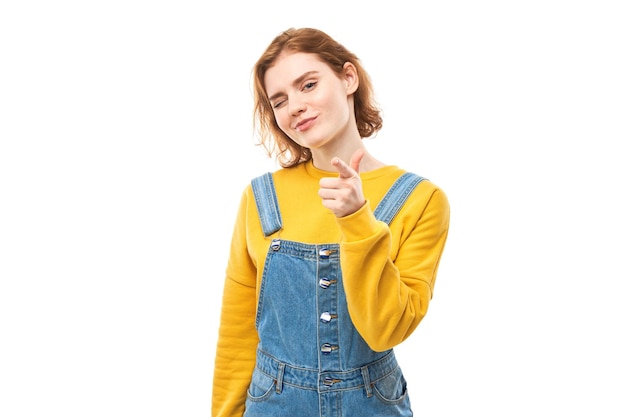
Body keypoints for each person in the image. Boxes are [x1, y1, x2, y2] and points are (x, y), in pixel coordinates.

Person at [212, 27, 450, 417]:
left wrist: (358, 221)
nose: (295, 106)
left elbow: (385, 329)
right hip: (273, 404)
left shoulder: (421, 200)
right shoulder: (260, 198)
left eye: (308, 84)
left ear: (348, 78)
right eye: (280, 100)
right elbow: (238, 332)